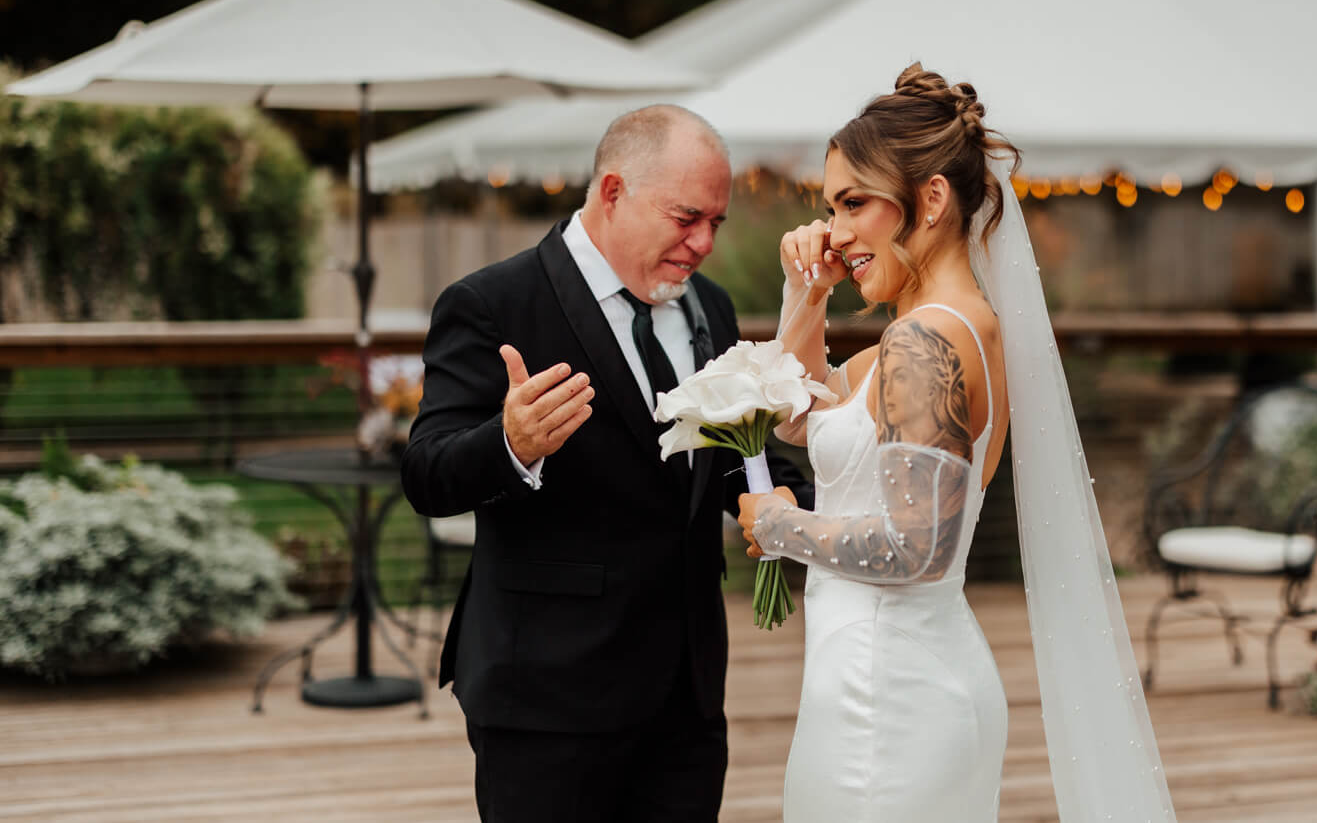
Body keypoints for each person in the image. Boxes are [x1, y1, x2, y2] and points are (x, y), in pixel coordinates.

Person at [737, 65, 1174, 821]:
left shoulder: (925, 340)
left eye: (855, 203)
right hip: (888, 678)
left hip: (888, 700)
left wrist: (778, 526)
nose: (835, 232)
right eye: (830, 207)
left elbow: (917, 547)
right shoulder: (936, 331)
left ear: (931, 199)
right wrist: (806, 292)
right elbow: (798, 416)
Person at [402, 104, 812, 823]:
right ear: (614, 190)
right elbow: (427, 474)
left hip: (687, 694)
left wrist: (787, 497)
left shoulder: (708, 307)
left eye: (716, 221)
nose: (705, 242)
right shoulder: (491, 304)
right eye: (687, 217)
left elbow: (719, 454)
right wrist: (510, 444)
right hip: (546, 701)